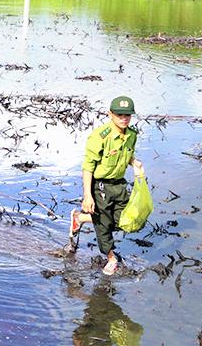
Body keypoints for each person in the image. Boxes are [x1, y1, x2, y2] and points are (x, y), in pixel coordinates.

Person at [67, 96, 145, 276]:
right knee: (104, 225)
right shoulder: (100, 136)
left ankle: (81, 218)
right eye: (119, 115)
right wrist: (88, 196)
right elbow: (88, 166)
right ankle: (111, 258)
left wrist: (134, 162)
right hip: (100, 186)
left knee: (131, 222)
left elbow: (126, 154)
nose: (124, 119)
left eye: (127, 115)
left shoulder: (132, 135)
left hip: (119, 185)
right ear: (110, 114)